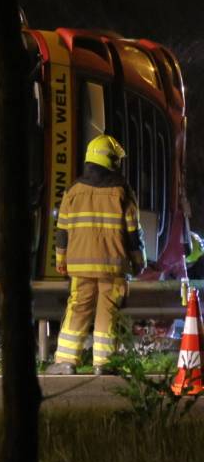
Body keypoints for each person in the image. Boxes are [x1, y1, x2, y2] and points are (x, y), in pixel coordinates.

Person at [47, 135, 145, 375]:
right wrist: (138, 262)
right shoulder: (122, 191)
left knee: (78, 309)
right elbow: (134, 233)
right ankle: (104, 363)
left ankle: (65, 362)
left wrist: (61, 261)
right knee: (107, 314)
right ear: (111, 161)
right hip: (112, 267)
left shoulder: (73, 191)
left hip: (80, 267)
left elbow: (62, 231)